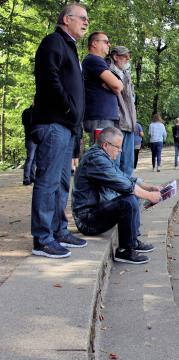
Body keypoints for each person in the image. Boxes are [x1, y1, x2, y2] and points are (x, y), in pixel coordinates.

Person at [30, 3, 88, 258]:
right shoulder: (53, 41)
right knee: (48, 182)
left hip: (67, 127)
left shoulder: (70, 47)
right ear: (67, 19)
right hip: (54, 123)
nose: (86, 22)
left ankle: (58, 230)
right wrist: (68, 108)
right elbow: (48, 79)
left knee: (63, 183)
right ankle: (42, 239)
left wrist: (75, 121)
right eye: (82, 18)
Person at [72, 127, 160, 264]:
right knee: (128, 200)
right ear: (106, 145)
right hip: (87, 220)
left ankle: (133, 241)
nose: (120, 151)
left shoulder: (101, 156)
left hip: (96, 211)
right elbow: (125, 185)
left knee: (132, 196)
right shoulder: (96, 160)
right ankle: (125, 250)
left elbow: (123, 177)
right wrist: (150, 196)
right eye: (118, 147)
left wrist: (150, 187)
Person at [82, 31, 122, 145]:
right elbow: (117, 85)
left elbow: (118, 86)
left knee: (108, 154)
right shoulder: (93, 60)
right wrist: (115, 85)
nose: (109, 45)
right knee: (101, 154)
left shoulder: (100, 62)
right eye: (105, 42)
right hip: (100, 117)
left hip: (104, 116)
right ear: (94, 43)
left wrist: (114, 85)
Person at [107, 45, 136, 176]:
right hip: (117, 123)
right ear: (115, 57)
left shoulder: (126, 74)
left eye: (129, 57)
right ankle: (114, 194)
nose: (128, 59)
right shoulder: (107, 71)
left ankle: (126, 193)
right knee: (115, 163)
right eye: (125, 56)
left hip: (129, 124)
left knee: (128, 164)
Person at [22, 104, 36, 185]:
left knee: (34, 160)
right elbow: (26, 123)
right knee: (30, 158)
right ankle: (26, 178)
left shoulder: (39, 111)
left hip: (37, 138)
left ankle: (32, 177)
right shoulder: (27, 112)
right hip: (30, 138)